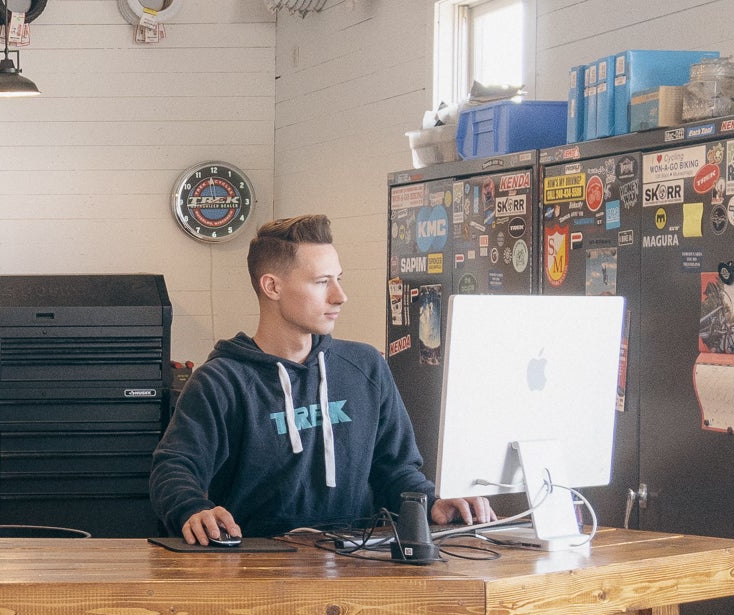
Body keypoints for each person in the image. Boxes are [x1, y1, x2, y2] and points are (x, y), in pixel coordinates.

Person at [150, 214, 493, 544]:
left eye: (338, 279)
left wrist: (431, 502)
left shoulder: (367, 366)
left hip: (358, 563)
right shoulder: (220, 382)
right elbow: (175, 468)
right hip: (256, 569)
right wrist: (191, 508)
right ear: (272, 286)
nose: (339, 296)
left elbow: (395, 470)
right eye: (321, 282)